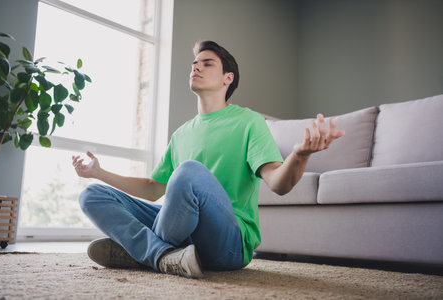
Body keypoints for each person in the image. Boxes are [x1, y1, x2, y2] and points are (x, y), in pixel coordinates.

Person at [72, 40, 345, 279]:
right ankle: (164, 256)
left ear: (228, 78)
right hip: (181, 233)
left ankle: (143, 252)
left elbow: (279, 184)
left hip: (229, 244)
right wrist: (99, 172)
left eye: (207, 63)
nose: (196, 67)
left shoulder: (248, 122)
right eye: (194, 63)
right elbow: (153, 189)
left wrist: (298, 156)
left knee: (188, 172)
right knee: (92, 195)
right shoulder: (181, 134)